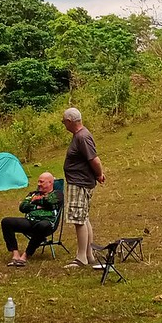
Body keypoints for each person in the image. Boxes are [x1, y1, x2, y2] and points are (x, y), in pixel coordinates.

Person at [61, 107, 105, 269]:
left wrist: (99, 174)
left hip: (79, 183)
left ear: (70, 121)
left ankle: (81, 258)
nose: (63, 124)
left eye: (64, 121)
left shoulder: (82, 137)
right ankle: (88, 255)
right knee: (84, 218)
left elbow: (94, 159)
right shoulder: (80, 135)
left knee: (78, 219)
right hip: (80, 181)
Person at [1, 172, 63, 267]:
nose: (38, 184)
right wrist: (38, 206)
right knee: (6, 222)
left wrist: (35, 200)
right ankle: (15, 254)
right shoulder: (33, 193)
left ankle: (25, 255)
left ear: (50, 183)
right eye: (38, 181)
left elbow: (51, 202)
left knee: (42, 226)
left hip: (47, 223)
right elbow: (23, 207)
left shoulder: (58, 194)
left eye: (41, 182)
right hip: (30, 222)